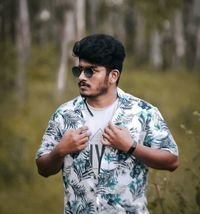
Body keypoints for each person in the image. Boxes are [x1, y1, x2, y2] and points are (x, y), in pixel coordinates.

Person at [36, 34, 179, 214]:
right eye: (78, 70)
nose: (81, 77)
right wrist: (60, 150)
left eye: (90, 71)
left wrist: (131, 146)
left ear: (113, 75)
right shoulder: (65, 114)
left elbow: (172, 161)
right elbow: (43, 169)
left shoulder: (142, 112)